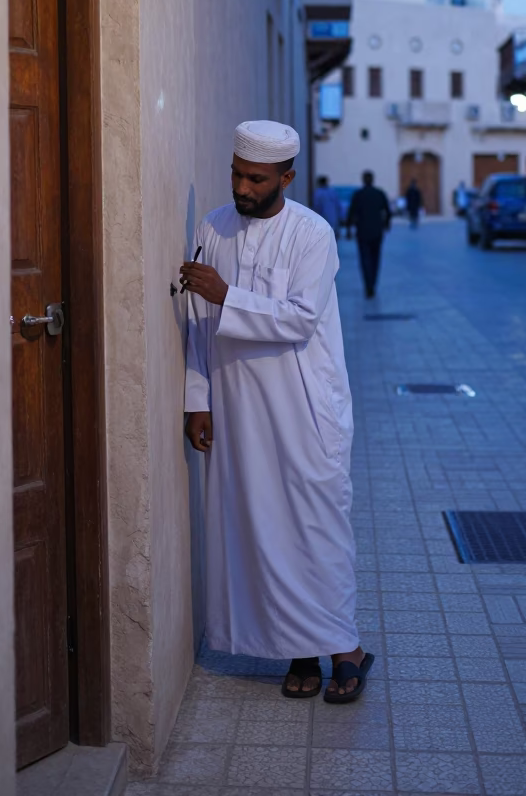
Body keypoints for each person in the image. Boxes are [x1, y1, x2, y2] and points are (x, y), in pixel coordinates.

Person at [180, 120, 372, 704]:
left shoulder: (313, 234)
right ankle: (301, 653)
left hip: (305, 407)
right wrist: (197, 398)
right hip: (239, 408)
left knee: (317, 525)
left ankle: (348, 649)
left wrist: (225, 294)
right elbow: (196, 325)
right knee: (263, 527)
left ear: (286, 177)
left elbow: (297, 318)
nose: (242, 186)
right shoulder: (214, 228)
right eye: (237, 174)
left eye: (255, 178)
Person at [346, 171, 392, 299]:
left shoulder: (358, 195)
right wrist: (387, 224)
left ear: (363, 180)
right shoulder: (379, 193)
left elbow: (351, 213)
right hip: (377, 231)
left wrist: (349, 230)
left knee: (364, 259)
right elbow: (388, 211)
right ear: (373, 180)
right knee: (375, 259)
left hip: (362, 231)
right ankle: (373, 284)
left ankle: (368, 286)